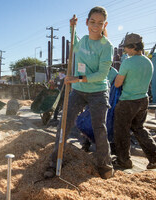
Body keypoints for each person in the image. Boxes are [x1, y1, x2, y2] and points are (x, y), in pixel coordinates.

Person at [44, 6, 114, 179]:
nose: (95, 26)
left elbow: (102, 74)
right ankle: (55, 162)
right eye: (92, 22)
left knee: (99, 129)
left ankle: (105, 166)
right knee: (64, 124)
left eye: (100, 23)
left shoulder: (106, 46)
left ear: (105, 24)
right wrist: (71, 28)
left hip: (98, 91)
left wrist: (78, 78)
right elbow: (74, 43)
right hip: (79, 91)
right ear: (86, 22)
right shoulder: (82, 41)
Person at [113, 33, 156, 169]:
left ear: (132, 47)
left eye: (126, 47)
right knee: (139, 128)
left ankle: (124, 161)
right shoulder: (148, 62)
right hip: (143, 100)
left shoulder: (127, 62)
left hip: (128, 101)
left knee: (121, 131)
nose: (125, 50)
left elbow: (117, 84)